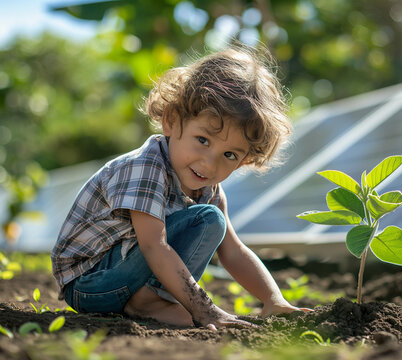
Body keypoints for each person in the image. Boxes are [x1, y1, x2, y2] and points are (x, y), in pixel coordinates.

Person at [51, 45, 309, 329]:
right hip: (90, 281)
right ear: (172, 120)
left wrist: (273, 299)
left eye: (230, 155)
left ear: (244, 160)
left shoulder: (206, 187)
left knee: (211, 221)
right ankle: (146, 301)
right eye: (203, 140)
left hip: (123, 275)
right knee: (208, 219)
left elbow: (233, 252)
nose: (210, 165)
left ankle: (146, 300)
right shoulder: (146, 168)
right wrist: (205, 308)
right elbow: (153, 245)